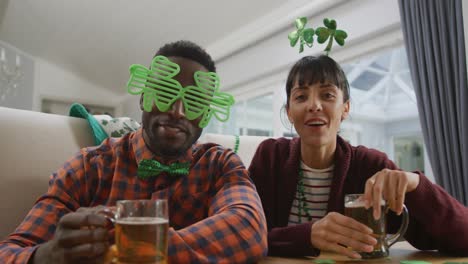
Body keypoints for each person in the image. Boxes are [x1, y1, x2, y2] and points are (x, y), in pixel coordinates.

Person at [0, 40, 267, 263]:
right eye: (164, 92)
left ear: (207, 114)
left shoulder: (220, 164)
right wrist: (47, 255)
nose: (177, 111)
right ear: (142, 96)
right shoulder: (88, 167)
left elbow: (248, 229)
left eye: (194, 102)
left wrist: (129, 246)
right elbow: (10, 253)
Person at [248, 55, 468, 258]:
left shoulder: (371, 166)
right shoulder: (269, 157)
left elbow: (462, 237)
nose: (314, 105)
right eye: (301, 97)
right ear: (289, 111)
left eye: (327, 95)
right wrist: (307, 236)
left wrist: (416, 184)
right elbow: (245, 236)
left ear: (345, 108)